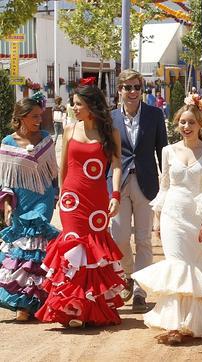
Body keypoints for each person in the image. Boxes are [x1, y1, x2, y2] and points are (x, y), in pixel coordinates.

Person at [132, 97, 202, 345]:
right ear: (177, 125)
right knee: (176, 264)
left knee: (193, 265)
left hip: (197, 215)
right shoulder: (167, 151)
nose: (186, 127)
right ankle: (174, 325)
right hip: (172, 214)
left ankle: (194, 320)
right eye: (182, 123)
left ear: (200, 125)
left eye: (191, 123)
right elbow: (164, 186)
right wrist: (157, 217)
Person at [35, 84, 125, 328]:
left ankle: (92, 308)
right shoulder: (68, 129)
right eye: (73, 104)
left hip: (97, 200)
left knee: (95, 247)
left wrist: (115, 194)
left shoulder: (111, 133)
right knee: (73, 245)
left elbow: (116, 165)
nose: (73, 108)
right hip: (71, 200)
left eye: (77, 104)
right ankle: (71, 309)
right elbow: (63, 166)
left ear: (91, 107)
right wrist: (62, 194)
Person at [109, 69, 168, 313]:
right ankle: (127, 276)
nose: (133, 92)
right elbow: (106, 154)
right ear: (120, 90)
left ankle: (140, 290)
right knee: (119, 237)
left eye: (137, 87)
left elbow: (163, 151)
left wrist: (167, 185)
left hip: (147, 183)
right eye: (128, 87)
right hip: (118, 183)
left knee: (143, 239)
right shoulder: (110, 118)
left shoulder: (155, 115)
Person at [0, 98, 59, 321]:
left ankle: (37, 301)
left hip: (42, 197)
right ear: (21, 117)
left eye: (40, 116)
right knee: (21, 249)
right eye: (34, 116)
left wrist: (57, 194)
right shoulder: (7, 141)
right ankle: (23, 303)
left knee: (37, 244)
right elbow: (4, 178)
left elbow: (54, 172)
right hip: (20, 199)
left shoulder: (46, 139)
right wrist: (6, 203)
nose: (39, 120)